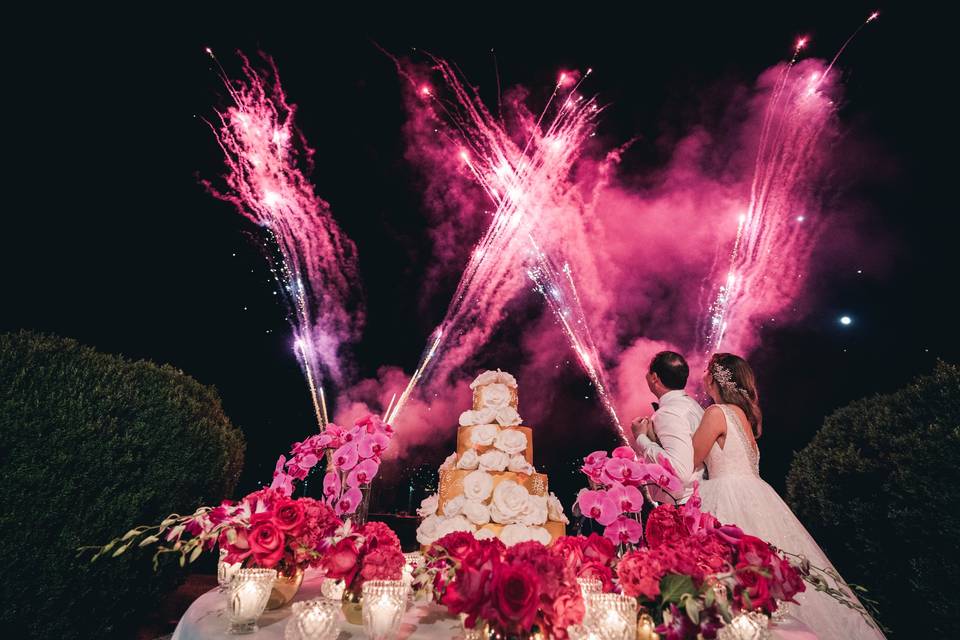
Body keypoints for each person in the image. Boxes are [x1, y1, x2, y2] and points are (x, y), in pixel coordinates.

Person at [694, 352, 885, 639]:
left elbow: (690, 459)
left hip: (727, 496)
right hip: (757, 495)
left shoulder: (716, 413)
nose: (703, 377)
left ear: (715, 378)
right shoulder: (743, 417)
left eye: (707, 371)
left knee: (729, 579)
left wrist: (649, 439)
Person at [630, 351, 704, 504]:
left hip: (681, 507)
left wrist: (641, 438)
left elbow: (680, 471)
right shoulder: (693, 406)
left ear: (654, 378)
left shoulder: (669, 413)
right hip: (696, 500)